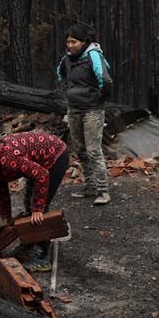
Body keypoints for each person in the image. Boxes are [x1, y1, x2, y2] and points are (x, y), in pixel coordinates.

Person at [0, 131, 70, 272]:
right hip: (38, 164)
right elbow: (1, 191)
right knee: (28, 206)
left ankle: (42, 257)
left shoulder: (7, 160)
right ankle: (30, 242)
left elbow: (42, 175)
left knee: (38, 212)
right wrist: (6, 216)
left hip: (55, 157)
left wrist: (38, 208)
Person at [56, 24, 112, 205]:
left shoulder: (93, 55)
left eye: (74, 42)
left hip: (92, 110)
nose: (70, 45)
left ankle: (103, 190)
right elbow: (60, 74)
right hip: (73, 109)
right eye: (68, 42)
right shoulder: (67, 59)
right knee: (80, 150)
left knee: (94, 150)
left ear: (83, 42)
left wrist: (98, 98)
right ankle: (90, 187)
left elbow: (105, 79)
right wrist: (67, 91)